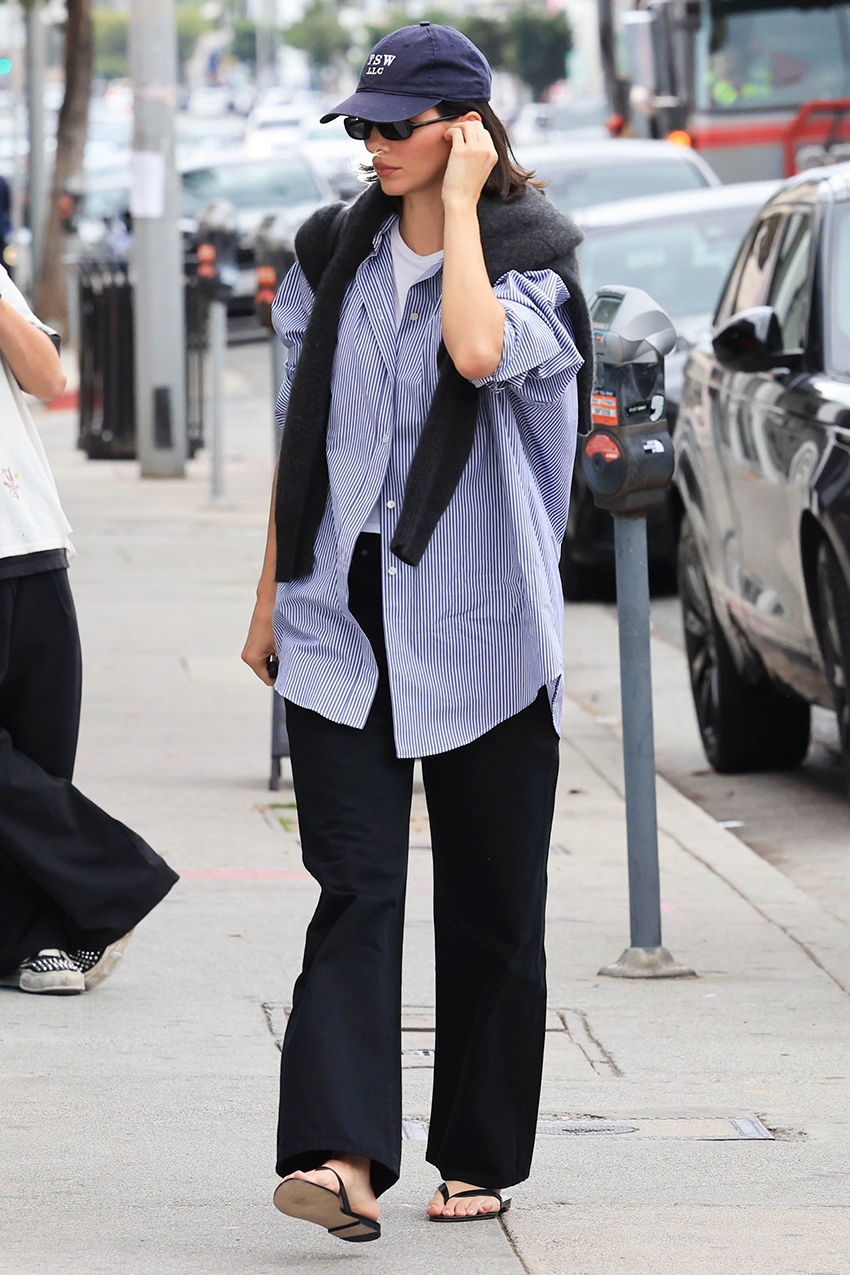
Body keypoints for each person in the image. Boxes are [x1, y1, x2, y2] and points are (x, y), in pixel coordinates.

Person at [241, 22, 593, 1242]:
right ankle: (341, 1157)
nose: (376, 146)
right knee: (355, 884)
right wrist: (267, 598)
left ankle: (478, 1153)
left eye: (402, 126)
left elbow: (476, 348)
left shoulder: (534, 264)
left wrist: (458, 209)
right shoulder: (329, 255)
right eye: (365, 128)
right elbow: (302, 445)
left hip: (484, 627)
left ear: (466, 127)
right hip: (342, 623)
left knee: (494, 900)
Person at [0, 264, 178, 997]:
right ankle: (113, 880)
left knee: (39, 757)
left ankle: (35, 940)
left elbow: (45, 376)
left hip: (27, 538)